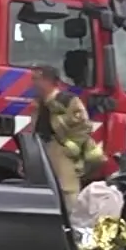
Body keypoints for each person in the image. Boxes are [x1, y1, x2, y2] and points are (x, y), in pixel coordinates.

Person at [29, 66, 101, 194]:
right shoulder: (38, 103)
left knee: (66, 192)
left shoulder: (67, 101)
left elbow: (84, 126)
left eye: (36, 79)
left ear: (48, 81)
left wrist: (71, 147)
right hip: (41, 150)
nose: (33, 83)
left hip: (61, 154)